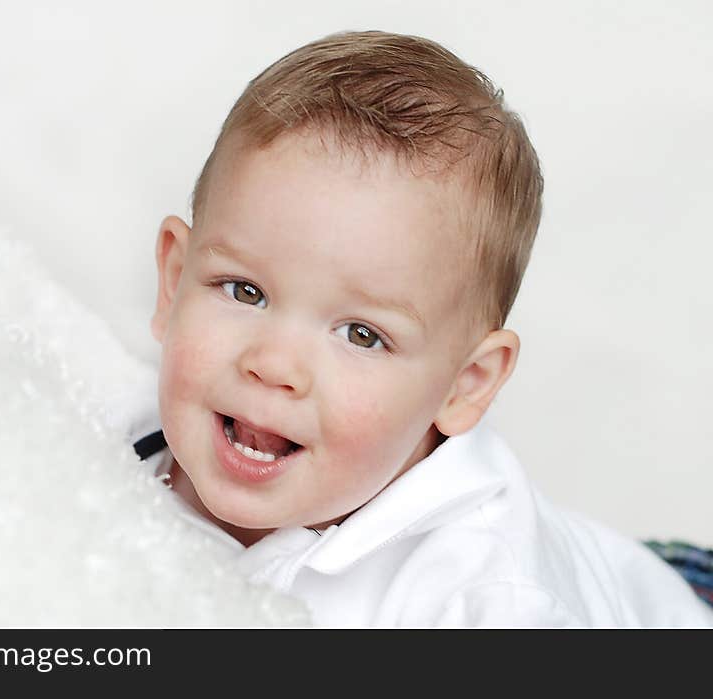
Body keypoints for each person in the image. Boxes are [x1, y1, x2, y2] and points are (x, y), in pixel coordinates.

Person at [128, 30, 713, 627]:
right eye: (244, 291)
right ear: (174, 282)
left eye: (361, 334)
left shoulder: (488, 602)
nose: (273, 364)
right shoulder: (97, 427)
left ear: (465, 385)